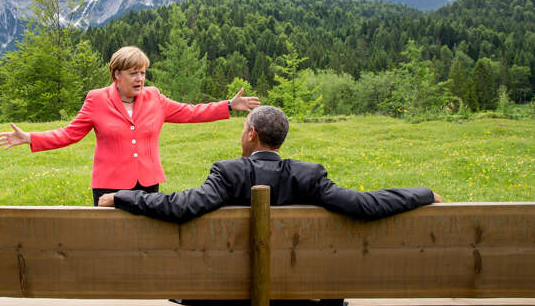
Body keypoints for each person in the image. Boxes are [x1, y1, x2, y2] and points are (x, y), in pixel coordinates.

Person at [0, 46, 260, 205]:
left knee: (146, 240)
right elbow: (69, 134)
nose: (140, 79)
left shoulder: (155, 97)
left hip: (147, 183)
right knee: (110, 243)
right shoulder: (96, 99)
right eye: (133, 73)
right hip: (109, 185)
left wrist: (228, 105)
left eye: (143, 73)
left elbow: (190, 112)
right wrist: (30, 138)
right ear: (116, 74)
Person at [97, 105, 442, 221]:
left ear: (251, 134)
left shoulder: (228, 173)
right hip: (298, 291)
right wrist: (423, 194)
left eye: (243, 129)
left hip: (226, 293)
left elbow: (180, 207)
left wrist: (122, 196)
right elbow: (365, 205)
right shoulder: (308, 176)